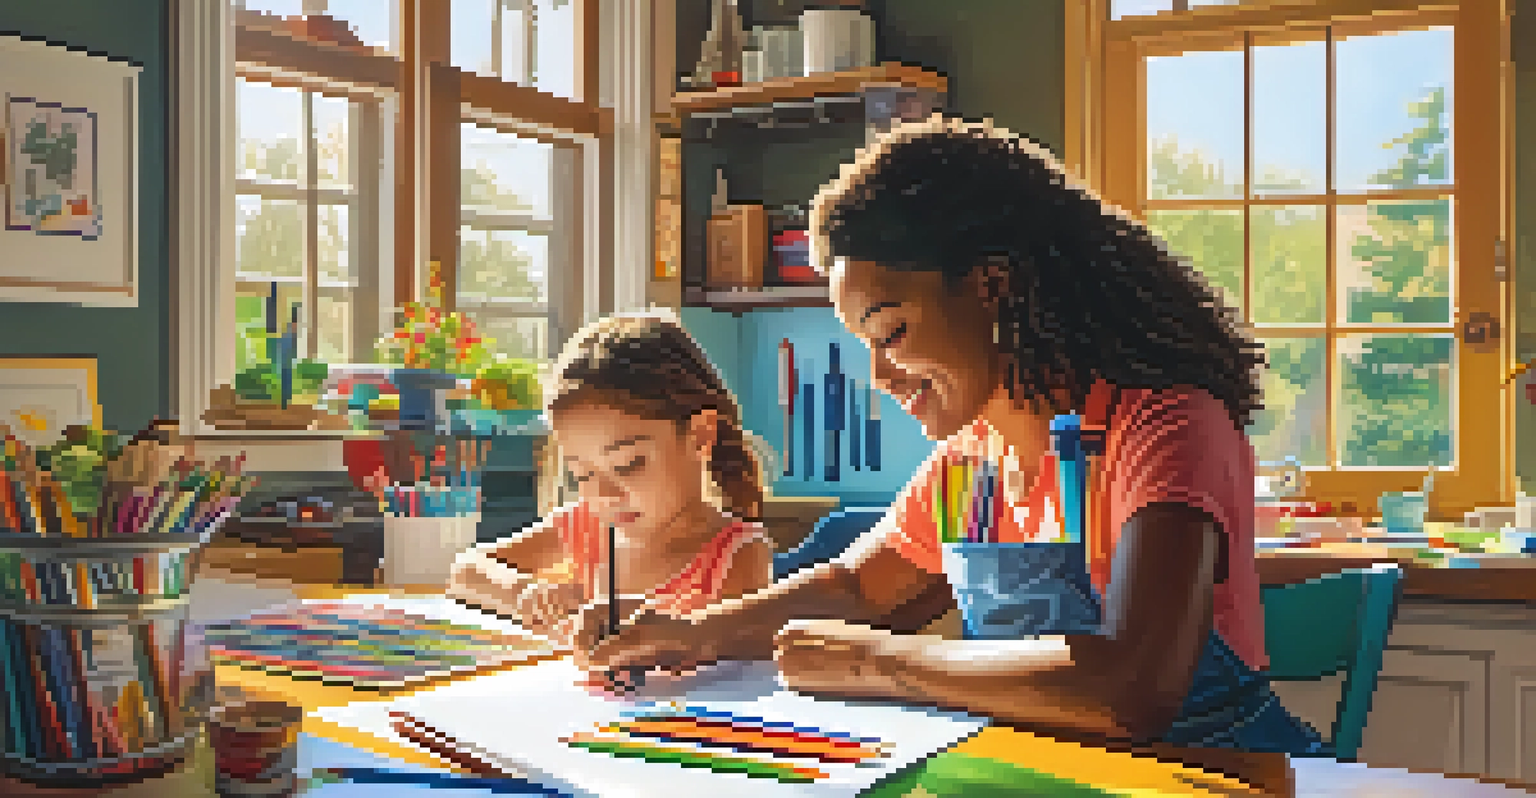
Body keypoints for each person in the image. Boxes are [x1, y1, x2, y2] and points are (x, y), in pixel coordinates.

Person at [573, 115, 1326, 754]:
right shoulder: (973, 459)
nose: (880, 374)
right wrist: (687, 632)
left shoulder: (1164, 427)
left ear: (991, 286)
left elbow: (1133, 688)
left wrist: (884, 662)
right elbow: (856, 586)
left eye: (891, 331)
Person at [446, 312, 774, 653]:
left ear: (699, 437)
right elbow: (467, 570)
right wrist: (524, 594)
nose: (603, 494)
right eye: (583, 474)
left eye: (628, 464)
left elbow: (730, 659)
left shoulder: (737, 556)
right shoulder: (587, 527)